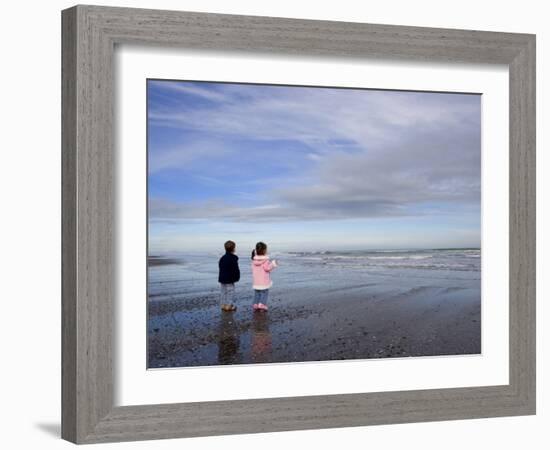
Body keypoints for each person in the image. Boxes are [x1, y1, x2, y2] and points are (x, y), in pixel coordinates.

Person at [251, 241, 277, 311]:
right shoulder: (265, 260)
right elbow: (267, 268)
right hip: (263, 281)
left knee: (257, 293)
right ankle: (262, 304)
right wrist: (273, 264)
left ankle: (256, 304)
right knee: (264, 292)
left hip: (256, 281)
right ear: (264, 250)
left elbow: (253, 270)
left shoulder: (254, 260)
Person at [218, 240, 240, 311]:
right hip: (230, 279)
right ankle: (229, 305)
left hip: (222, 278)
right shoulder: (233, 258)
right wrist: (237, 277)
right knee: (230, 292)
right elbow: (235, 269)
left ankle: (223, 305)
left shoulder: (222, 258)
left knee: (223, 292)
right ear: (233, 249)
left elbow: (220, 267)